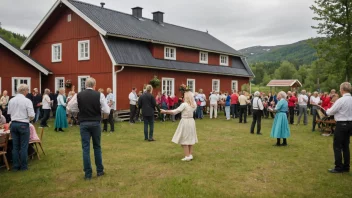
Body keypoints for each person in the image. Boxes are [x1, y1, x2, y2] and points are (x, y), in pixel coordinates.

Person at [68, 77, 110, 180]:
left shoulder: (78, 95)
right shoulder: (99, 95)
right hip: (95, 122)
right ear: (94, 85)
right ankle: (100, 171)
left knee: (85, 148)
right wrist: (102, 115)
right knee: (97, 147)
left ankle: (88, 174)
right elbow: (107, 110)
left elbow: (69, 107)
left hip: (84, 123)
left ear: (85, 85)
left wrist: (79, 109)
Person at [161, 91, 198, 161]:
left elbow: (175, 111)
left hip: (185, 121)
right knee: (190, 138)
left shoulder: (184, 104)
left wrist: (165, 111)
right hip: (191, 121)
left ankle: (187, 156)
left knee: (184, 138)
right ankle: (190, 154)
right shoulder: (194, 104)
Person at [7, 84, 35, 171]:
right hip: (23, 123)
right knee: (23, 146)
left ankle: (15, 166)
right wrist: (29, 118)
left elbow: (9, 112)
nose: (28, 92)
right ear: (24, 91)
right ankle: (23, 166)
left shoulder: (11, 100)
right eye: (27, 90)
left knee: (15, 146)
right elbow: (31, 115)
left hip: (14, 123)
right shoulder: (27, 101)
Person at [326, 82, 352, 173]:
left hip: (341, 125)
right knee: (346, 146)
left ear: (342, 90)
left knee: (337, 146)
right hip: (350, 124)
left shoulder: (341, 100)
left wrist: (327, 110)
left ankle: (338, 167)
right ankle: (346, 166)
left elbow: (331, 111)